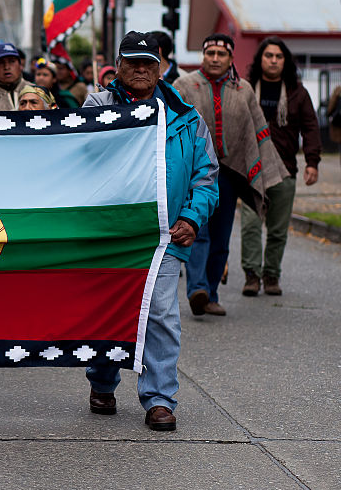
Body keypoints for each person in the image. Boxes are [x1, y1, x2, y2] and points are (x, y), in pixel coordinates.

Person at [84, 31, 219, 432]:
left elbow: (206, 177)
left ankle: (159, 399)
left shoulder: (186, 117)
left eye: (148, 63)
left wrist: (192, 218)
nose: (141, 69)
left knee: (160, 314)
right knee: (110, 311)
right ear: (119, 65)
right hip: (109, 233)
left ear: (161, 67)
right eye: (132, 62)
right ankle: (103, 381)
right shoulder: (96, 107)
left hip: (164, 235)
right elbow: (79, 158)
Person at [173, 33, 288, 317]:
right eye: (210, 53)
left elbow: (256, 132)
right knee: (197, 230)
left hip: (229, 173)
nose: (215, 58)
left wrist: (267, 172)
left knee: (221, 238)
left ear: (230, 58)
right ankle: (197, 289)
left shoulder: (243, 90)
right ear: (203, 55)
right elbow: (170, 126)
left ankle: (211, 293)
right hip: (193, 173)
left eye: (221, 54)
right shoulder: (184, 85)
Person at [239, 37, 321, 296]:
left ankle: (271, 275)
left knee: (277, 228)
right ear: (260, 59)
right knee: (251, 224)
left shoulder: (298, 92)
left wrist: (312, 162)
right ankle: (252, 275)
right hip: (252, 169)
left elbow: (310, 127)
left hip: (285, 169)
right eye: (268, 55)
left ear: (285, 61)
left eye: (278, 56)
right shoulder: (246, 89)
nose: (273, 60)